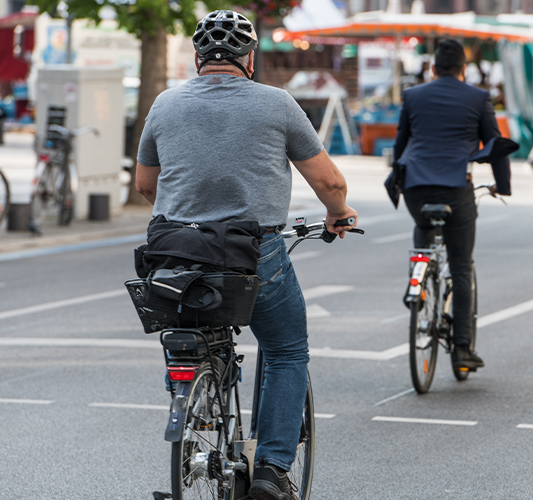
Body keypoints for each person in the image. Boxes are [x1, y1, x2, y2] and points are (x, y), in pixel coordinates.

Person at [134, 10, 358, 500]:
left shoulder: (164, 103)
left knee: (187, 330)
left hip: (173, 252)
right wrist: (338, 212)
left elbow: (146, 185)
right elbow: (329, 181)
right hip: (253, 251)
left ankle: (193, 394)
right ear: (249, 59)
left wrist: (191, 217)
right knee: (284, 348)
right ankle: (273, 470)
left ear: (197, 58)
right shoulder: (277, 104)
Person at [392, 39, 511, 371]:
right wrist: (504, 185)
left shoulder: (414, 96)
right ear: (463, 69)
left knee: (423, 227)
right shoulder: (478, 97)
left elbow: (401, 144)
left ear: (432, 68)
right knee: (460, 268)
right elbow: (496, 144)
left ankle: (418, 275)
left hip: (416, 187)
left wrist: (397, 179)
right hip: (457, 187)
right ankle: (461, 349)